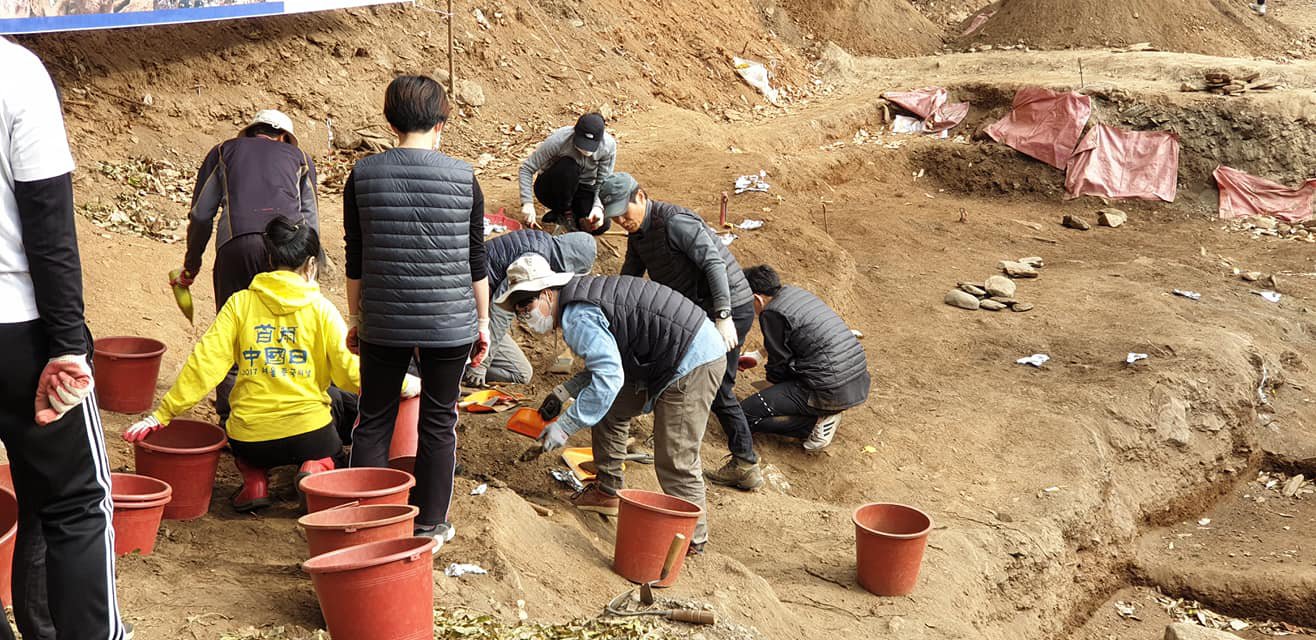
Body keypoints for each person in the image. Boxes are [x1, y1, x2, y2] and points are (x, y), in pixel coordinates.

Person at [123, 218, 417, 511]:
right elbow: (348, 373)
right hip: (310, 434)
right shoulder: (321, 309)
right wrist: (402, 383)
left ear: (269, 259)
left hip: (250, 440)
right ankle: (316, 469)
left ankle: (254, 482)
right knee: (334, 441)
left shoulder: (240, 304)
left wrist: (161, 415)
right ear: (311, 264)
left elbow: (204, 365)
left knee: (245, 448)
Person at [0, 37, 129, 639]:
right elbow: (49, 227)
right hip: (18, 330)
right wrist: (68, 345)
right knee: (76, 502)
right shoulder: (16, 74)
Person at [343, 75, 490, 551]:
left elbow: (355, 258)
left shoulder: (362, 175)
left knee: (374, 418)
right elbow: (476, 261)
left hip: (383, 319)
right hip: (450, 324)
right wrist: (483, 323)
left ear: (390, 120)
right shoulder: (465, 177)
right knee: (439, 419)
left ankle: (365, 518)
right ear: (442, 121)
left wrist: (356, 318)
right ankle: (430, 524)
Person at [496, 255, 724, 553]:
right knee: (610, 409)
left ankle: (692, 539)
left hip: (693, 358)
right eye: (519, 312)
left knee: (675, 457)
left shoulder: (577, 317)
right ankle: (609, 492)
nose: (525, 317)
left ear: (547, 293)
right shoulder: (579, 299)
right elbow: (607, 362)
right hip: (665, 352)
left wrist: (564, 428)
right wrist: (564, 392)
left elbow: (609, 378)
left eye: (526, 308)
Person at [596, 173, 763, 491]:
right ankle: (646, 429)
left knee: (717, 387)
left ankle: (745, 462)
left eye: (623, 211)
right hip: (693, 311)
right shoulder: (639, 236)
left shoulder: (675, 222)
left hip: (728, 306)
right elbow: (629, 281)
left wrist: (723, 315)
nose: (620, 220)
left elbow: (713, 263)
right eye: (614, 215)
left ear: (641, 197)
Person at [170, 108, 319, 427]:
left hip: (235, 244)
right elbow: (311, 221)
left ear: (251, 132)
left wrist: (191, 264)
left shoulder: (224, 151)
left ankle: (231, 418)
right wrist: (309, 272)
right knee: (285, 329)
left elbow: (200, 215)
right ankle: (283, 412)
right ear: (283, 137)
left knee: (234, 329)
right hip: (288, 251)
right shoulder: (300, 158)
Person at [739, 265, 871, 451]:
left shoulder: (771, 313)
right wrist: (758, 355)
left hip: (829, 390)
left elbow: (779, 364)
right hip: (854, 380)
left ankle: (814, 422)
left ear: (756, 298)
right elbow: (793, 337)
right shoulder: (792, 294)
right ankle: (823, 410)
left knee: (743, 416)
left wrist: (772, 391)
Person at [463, 230, 597, 387]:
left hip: (467, 306)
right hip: (464, 312)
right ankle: (455, 370)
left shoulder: (540, 243)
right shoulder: (534, 263)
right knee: (520, 373)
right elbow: (499, 313)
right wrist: (481, 364)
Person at [518, 113, 616, 235]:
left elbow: (603, 182)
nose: (586, 150)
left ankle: (569, 216)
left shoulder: (608, 146)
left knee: (602, 224)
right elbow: (526, 168)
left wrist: (597, 206)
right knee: (569, 167)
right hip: (552, 187)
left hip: (583, 188)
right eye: (582, 143)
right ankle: (564, 212)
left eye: (590, 146)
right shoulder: (559, 139)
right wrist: (527, 202)